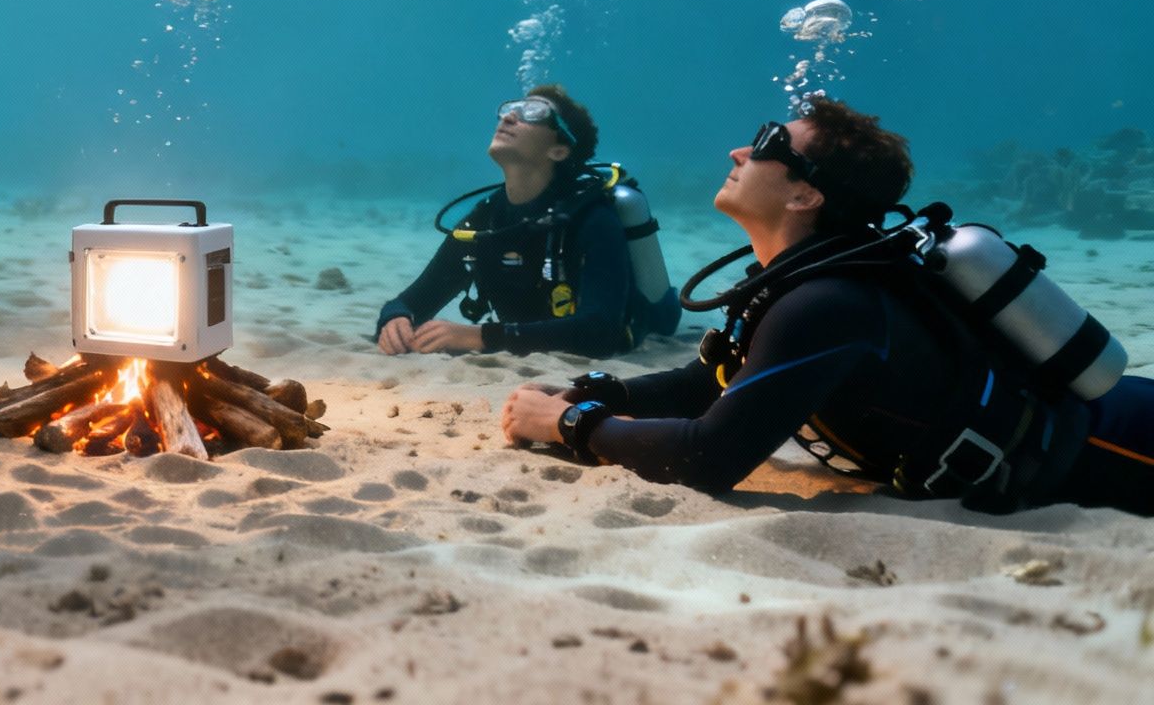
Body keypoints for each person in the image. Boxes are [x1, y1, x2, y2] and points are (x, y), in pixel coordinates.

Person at [500, 98, 1154, 514]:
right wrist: (598, 393)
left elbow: (710, 457)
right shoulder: (799, 282)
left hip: (1113, 443)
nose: (738, 151)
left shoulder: (827, 302)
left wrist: (569, 425)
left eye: (766, 145)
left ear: (805, 197)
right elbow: (713, 381)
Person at [376, 85, 674, 358]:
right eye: (508, 110)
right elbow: (411, 301)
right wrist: (395, 320)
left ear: (559, 150)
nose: (508, 118)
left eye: (534, 113)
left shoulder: (591, 218)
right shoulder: (485, 222)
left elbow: (600, 331)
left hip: (645, 327)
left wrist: (482, 336)